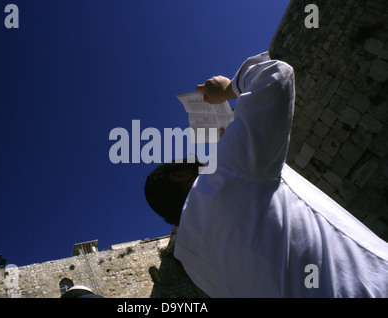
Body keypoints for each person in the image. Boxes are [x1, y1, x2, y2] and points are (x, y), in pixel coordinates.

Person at [144, 52, 388, 297]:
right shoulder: (223, 176)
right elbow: (276, 75)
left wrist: (233, 150)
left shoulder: (194, 265)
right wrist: (228, 89)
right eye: (197, 163)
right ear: (178, 176)